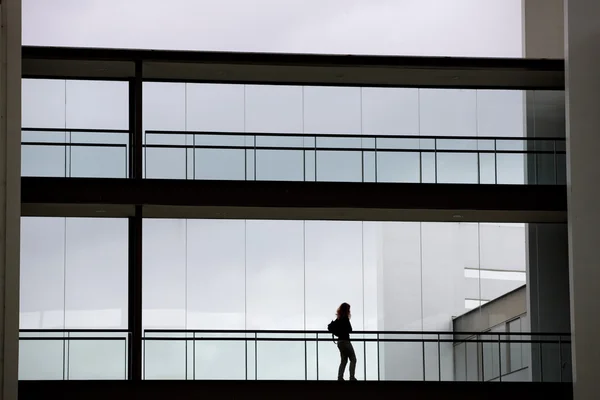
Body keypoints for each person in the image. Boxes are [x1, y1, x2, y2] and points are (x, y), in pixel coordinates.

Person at [335, 302, 357, 381]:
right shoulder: (345, 319)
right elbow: (350, 329)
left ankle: (340, 377)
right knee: (353, 359)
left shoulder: (339, 318)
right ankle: (351, 377)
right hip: (345, 341)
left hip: (340, 342)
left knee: (344, 360)